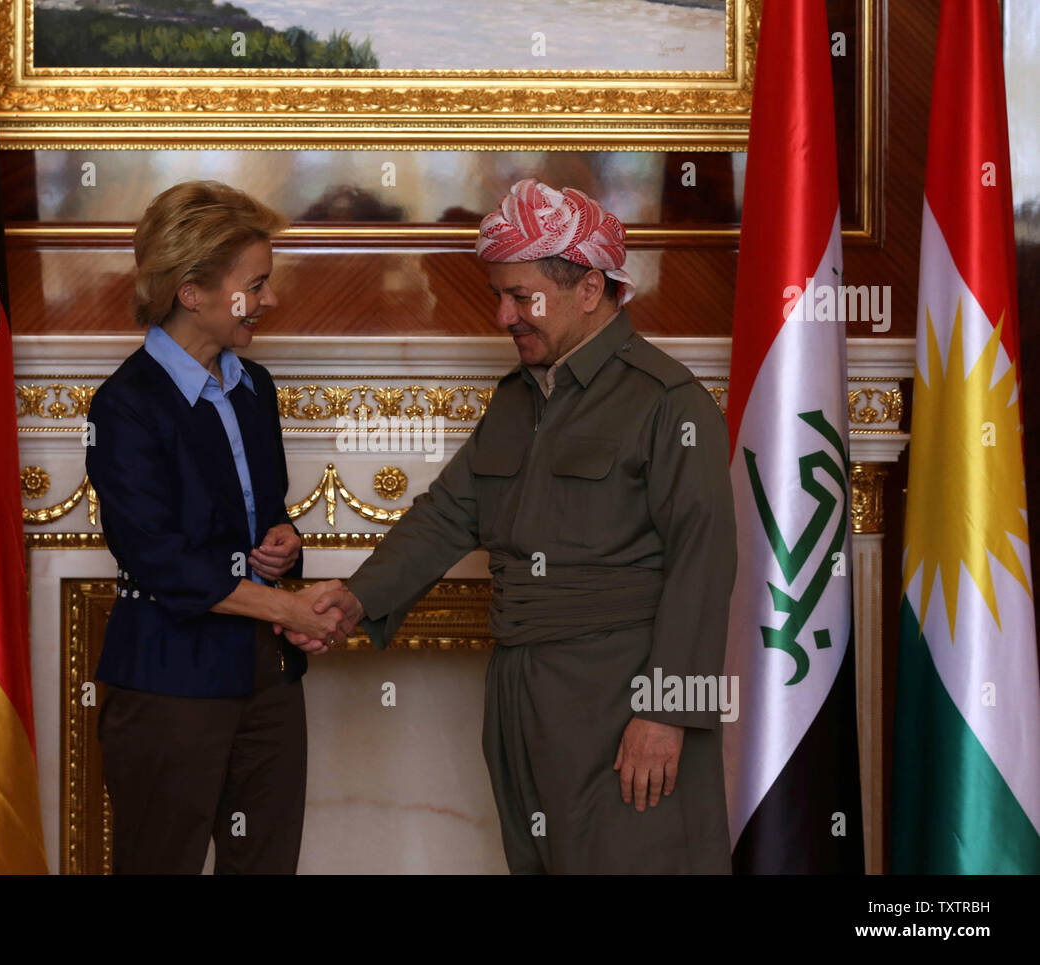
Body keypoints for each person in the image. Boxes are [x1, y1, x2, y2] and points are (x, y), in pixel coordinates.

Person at [289, 178, 738, 873]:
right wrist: (356, 597)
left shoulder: (669, 402)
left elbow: (703, 564)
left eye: (522, 295)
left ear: (590, 288)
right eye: (499, 293)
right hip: (518, 692)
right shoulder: (517, 399)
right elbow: (447, 513)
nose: (503, 315)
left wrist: (668, 711)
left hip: (621, 697)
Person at [86, 180, 347, 874]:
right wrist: (288, 605)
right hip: (170, 684)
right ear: (191, 290)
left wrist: (284, 540)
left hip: (268, 680)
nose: (270, 300)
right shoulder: (124, 407)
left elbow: (257, 517)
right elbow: (160, 560)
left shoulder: (254, 387)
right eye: (254, 285)